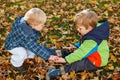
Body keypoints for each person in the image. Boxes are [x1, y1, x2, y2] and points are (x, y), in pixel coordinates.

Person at [46, 9, 110, 79]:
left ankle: (58, 72)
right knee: (71, 51)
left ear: (89, 27)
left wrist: (66, 60)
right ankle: (54, 52)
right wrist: (76, 46)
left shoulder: (92, 40)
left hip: (95, 60)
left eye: (80, 28)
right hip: (89, 52)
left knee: (76, 64)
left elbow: (81, 53)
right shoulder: (92, 31)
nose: (78, 30)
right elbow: (84, 43)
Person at [5, 8, 57, 72]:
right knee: (22, 53)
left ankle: (42, 51)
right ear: (33, 25)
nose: (43, 26)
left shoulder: (23, 21)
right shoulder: (26, 35)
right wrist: (48, 56)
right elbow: (35, 47)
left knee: (32, 51)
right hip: (12, 46)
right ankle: (15, 64)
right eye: (41, 25)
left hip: (19, 41)